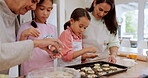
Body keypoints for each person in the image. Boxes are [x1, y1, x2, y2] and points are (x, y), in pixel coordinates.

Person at [0, 0, 62, 74]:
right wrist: (26, 37)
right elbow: (17, 50)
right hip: (29, 70)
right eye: (42, 9)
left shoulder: (53, 28)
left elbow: (53, 50)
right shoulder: (24, 27)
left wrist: (55, 51)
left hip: (47, 69)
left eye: (48, 10)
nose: (45, 13)